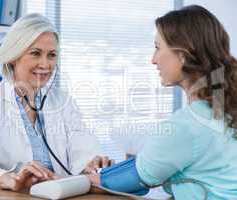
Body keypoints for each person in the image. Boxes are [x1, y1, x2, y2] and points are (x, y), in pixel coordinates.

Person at [87, 5, 237, 200]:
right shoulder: (223, 109)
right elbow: (148, 165)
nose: (153, 60)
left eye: (158, 48)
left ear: (183, 55)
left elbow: (134, 179)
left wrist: (68, 181)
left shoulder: (188, 125)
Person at [0, 13, 112, 191]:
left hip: (60, 194)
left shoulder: (63, 102)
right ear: (14, 56)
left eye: (51, 55)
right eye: (36, 53)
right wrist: (9, 180)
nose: (45, 64)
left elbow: (83, 150)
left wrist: (92, 164)